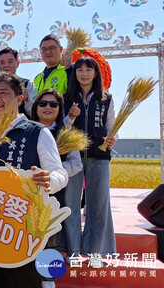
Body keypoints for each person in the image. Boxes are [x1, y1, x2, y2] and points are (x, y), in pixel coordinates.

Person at [0, 72, 68, 288]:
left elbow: (60, 173)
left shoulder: (37, 132)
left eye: (3, 93)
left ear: (19, 98)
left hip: (21, 233)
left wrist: (48, 179)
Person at [63, 56, 117, 262]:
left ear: (96, 73)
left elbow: (111, 125)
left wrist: (113, 139)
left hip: (99, 156)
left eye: (88, 70)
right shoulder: (67, 98)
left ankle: (96, 252)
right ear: (75, 74)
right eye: (79, 70)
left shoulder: (106, 98)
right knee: (71, 203)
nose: (84, 73)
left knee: (99, 204)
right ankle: (73, 250)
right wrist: (71, 117)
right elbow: (63, 127)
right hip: (73, 156)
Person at [30, 89, 83, 288]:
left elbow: (76, 164)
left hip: (52, 194)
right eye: (43, 103)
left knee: (49, 236)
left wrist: (53, 174)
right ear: (36, 107)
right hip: (25, 193)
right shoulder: (26, 130)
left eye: (54, 104)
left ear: (60, 109)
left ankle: (48, 280)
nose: (48, 108)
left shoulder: (66, 133)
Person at [0, 47, 38, 117]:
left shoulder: (28, 85)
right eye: (2, 62)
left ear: (17, 63)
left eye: (10, 62)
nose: (6, 65)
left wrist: (27, 99)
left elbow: (36, 113)